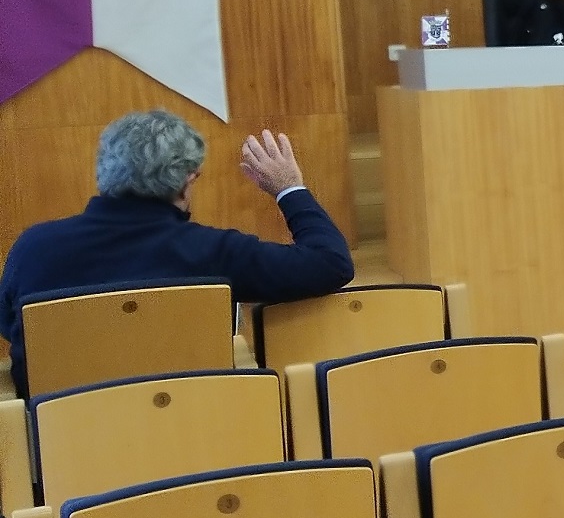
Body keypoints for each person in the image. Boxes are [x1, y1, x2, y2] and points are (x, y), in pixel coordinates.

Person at [0, 112, 355, 396]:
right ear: (188, 181)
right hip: (193, 433)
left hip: (57, 441)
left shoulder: (32, 247)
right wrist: (289, 188)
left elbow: (9, 325)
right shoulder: (215, 253)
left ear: (104, 172)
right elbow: (331, 263)